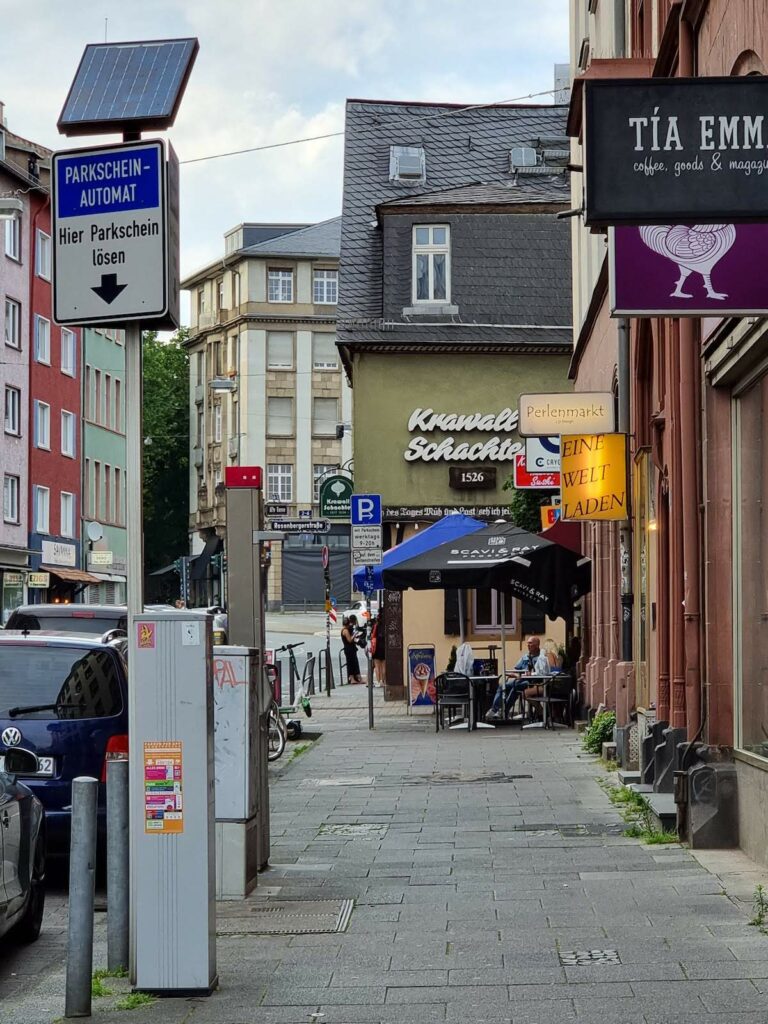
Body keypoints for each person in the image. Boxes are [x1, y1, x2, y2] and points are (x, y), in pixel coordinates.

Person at [485, 635, 545, 722]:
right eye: (528, 644)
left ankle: (504, 711)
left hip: (533, 682)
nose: (528, 646)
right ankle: (495, 709)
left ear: (537, 645)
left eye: (531, 644)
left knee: (515, 686)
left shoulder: (541, 658)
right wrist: (516, 675)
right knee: (503, 686)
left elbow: (540, 673)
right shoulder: (525, 657)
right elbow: (516, 669)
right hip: (521, 679)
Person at [341, 615, 363, 684]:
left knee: (354, 663)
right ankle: (352, 678)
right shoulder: (345, 631)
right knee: (351, 663)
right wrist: (354, 634)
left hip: (350, 648)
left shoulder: (346, 629)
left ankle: (357, 678)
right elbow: (349, 640)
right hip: (348, 649)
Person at [370, 613, 386, 687]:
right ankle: (383, 681)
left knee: (377, 666)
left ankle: (379, 682)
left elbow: (372, 636)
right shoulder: (386, 626)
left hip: (376, 647)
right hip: (384, 647)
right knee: (383, 666)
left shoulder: (375, 626)